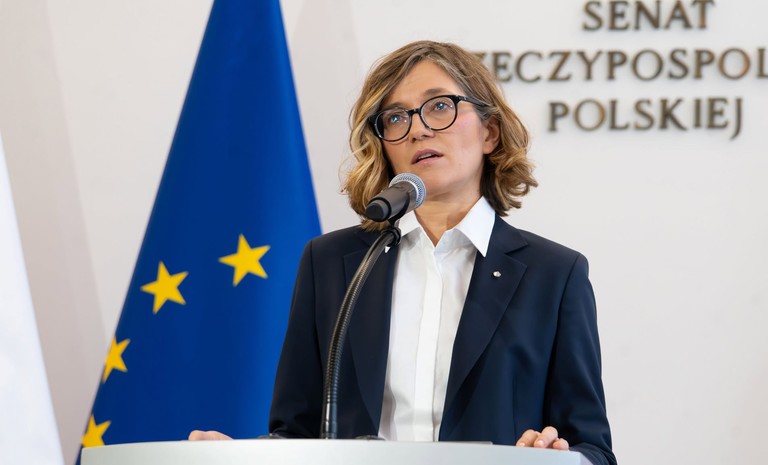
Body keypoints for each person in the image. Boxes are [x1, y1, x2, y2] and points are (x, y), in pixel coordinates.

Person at [190, 40, 616, 465]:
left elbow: (593, 449)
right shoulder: (332, 263)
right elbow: (297, 433)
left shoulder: (554, 275)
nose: (417, 129)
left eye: (440, 106)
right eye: (395, 117)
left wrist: (554, 458)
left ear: (489, 132)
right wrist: (238, 457)